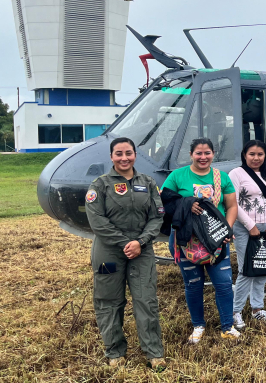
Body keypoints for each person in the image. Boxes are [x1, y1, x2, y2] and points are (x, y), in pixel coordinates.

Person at [85, 137, 165, 369]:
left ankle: (153, 352)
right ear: (111, 157)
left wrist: (140, 242)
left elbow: (157, 216)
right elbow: (96, 221)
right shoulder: (99, 185)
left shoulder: (148, 183)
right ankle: (115, 352)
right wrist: (124, 243)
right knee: (109, 301)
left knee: (146, 300)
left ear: (135, 155)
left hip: (142, 249)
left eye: (128, 153)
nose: (124, 158)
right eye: (118, 153)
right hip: (108, 251)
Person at [162, 138, 239, 343]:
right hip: (186, 241)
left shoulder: (221, 178)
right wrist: (187, 204)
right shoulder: (177, 176)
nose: (203, 157)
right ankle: (198, 325)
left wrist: (227, 229)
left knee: (223, 284)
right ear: (191, 155)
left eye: (207, 153)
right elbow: (165, 201)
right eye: (198, 153)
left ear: (213, 154)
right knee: (193, 284)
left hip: (216, 239)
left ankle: (227, 327)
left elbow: (231, 206)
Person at [229, 140, 266, 328]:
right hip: (245, 228)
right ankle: (235, 311)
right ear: (245, 155)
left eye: (260, 154)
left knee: (263, 267)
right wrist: (250, 225)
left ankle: (257, 308)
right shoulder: (236, 174)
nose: (256, 158)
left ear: (265, 156)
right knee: (247, 269)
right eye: (252, 154)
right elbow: (233, 202)